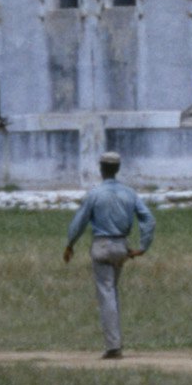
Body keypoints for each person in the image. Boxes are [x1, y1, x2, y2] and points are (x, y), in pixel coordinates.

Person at [60, 153, 157, 357]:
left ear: (101, 169)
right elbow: (148, 218)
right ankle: (115, 342)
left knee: (107, 294)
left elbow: (79, 221)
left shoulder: (95, 194)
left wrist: (70, 244)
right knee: (112, 290)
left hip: (102, 246)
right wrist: (143, 246)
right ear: (118, 169)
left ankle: (113, 346)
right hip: (122, 246)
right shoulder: (129, 193)